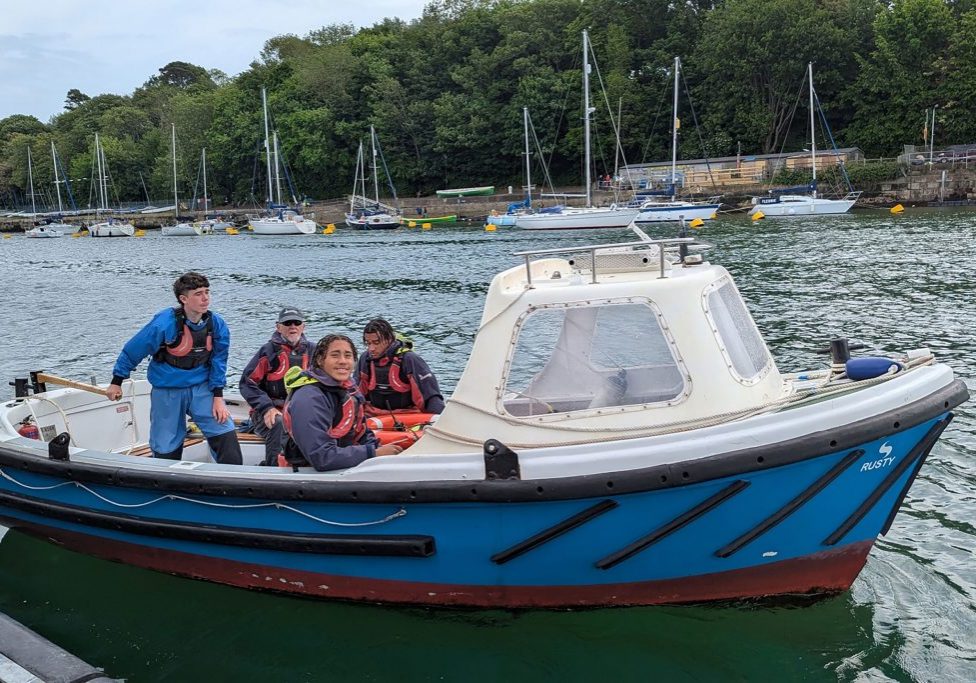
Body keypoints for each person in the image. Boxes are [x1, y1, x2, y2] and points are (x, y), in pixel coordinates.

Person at [105, 272, 242, 464]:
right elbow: (133, 350)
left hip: (201, 388)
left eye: (207, 292)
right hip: (168, 390)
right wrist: (116, 381)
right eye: (198, 294)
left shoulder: (216, 324)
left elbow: (219, 361)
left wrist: (218, 397)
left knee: (224, 428)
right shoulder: (164, 322)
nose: (205, 298)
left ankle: (232, 479)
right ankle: (167, 478)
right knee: (166, 443)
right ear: (183, 299)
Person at [282, 334, 402, 471]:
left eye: (348, 356)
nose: (343, 361)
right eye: (335, 355)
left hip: (341, 465)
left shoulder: (347, 392)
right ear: (320, 360)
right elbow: (321, 457)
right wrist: (372, 453)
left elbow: (362, 434)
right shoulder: (308, 398)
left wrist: (378, 450)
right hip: (307, 471)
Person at [240, 307, 312, 465]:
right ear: (278, 327)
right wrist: (266, 407)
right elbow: (247, 383)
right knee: (278, 423)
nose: (292, 326)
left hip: (299, 410)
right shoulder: (268, 352)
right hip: (269, 410)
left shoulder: (314, 351)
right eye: (287, 323)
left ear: (303, 326)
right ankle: (273, 467)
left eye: (296, 322)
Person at [356, 318, 445, 416]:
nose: (371, 348)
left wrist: (440, 421)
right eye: (368, 343)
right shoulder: (365, 359)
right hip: (374, 417)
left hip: (407, 418)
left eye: (376, 343)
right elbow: (354, 394)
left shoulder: (409, 359)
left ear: (389, 339)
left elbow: (431, 398)